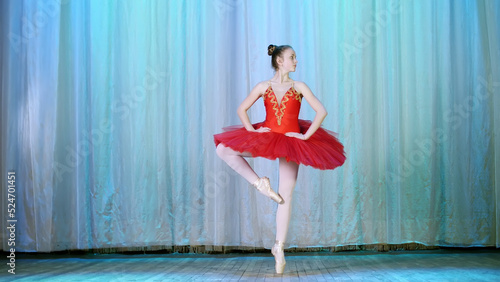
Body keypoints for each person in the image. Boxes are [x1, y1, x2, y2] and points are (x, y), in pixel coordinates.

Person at [214, 44, 346, 274]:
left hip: (292, 141)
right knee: (223, 149)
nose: (296, 61)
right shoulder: (264, 86)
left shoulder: (299, 86)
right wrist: (252, 131)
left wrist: (305, 135)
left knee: (286, 194)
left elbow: (321, 111)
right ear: (279, 61)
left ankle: (279, 247)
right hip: (268, 137)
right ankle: (259, 183)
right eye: (292, 57)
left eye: (295, 57)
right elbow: (242, 109)